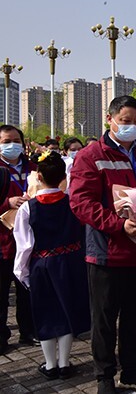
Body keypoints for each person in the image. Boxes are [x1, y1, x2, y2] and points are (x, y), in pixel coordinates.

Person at [69, 96, 136, 394]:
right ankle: (104, 377)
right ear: (110, 119)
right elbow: (81, 203)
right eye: (126, 121)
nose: (132, 127)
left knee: (135, 317)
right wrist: (119, 225)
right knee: (103, 320)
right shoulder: (91, 155)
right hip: (107, 252)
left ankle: (132, 371)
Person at [13, 150, 90, 380]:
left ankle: (50, 364)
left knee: (46, 313)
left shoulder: (28, 208)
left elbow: (24, 245)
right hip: (71, 261)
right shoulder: (73, 203)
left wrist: (22, 273)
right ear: (63, 176)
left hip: (43, 264)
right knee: (67, 310)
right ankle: (65, 363)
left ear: (37, 176)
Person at [0, 125, 37, 354]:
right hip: (3, 241)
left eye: (15, 140)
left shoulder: (34, 168)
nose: (11, 144)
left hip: (27, 240)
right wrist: (7, 203)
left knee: (27, 290)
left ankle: (28, 331)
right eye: (6, 141)